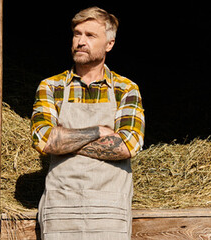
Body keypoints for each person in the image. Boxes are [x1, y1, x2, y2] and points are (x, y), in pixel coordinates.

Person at [30, 6, 145, 240]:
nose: (80, 41)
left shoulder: (126, 89)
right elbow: (43, 139)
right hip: (61, 209)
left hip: (109, 211)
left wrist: (64, 139)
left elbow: (128, 145)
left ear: (109, 44)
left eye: (90, 35)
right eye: (77, 34)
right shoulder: (51, 87)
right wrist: (99, 131)